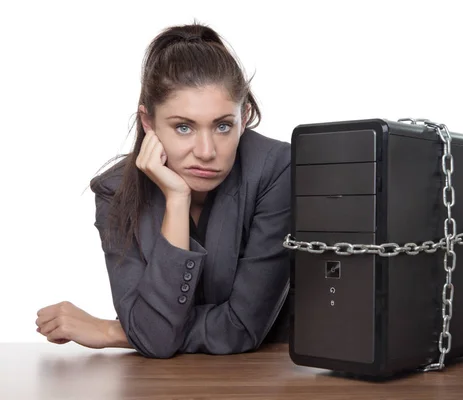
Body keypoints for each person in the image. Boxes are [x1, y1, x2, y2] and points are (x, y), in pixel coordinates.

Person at [34, 22, 292, 358]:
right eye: (183, 127)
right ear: (148, 122)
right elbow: (155, 338)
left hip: (270, 376)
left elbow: (240, 328)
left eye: (223, 126)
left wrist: (113, 330)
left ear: (243, 118)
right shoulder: (114, 192)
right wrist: (176, 199)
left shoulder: (277, 170)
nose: (206, 151)